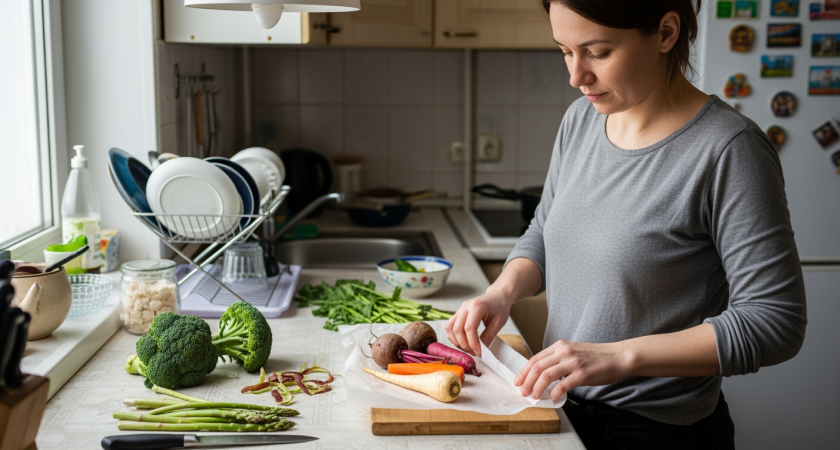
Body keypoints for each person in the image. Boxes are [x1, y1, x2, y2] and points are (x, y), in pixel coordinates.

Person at [444, 1, 807, 449]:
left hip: (657, 435)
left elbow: (775, 322)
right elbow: (544, 230)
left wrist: (617, 357)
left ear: (666, 32)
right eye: (564, 51)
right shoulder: (580, 121)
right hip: (560, 412)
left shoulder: (729, 150)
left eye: (597, 52)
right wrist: (502, 291)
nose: (577, 76)